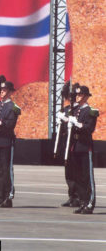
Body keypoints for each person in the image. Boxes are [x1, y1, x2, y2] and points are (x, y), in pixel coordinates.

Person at [0, 75, 21, 208]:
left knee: (7, 170)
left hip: (6, 141)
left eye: (3, 90)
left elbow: (10, 125)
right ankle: (0, 197)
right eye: (0, 90)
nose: (1, 92)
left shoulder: (13, 107)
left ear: (9, 91)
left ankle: (8, 197)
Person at [68, 85, 99, 214]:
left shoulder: (90, 111)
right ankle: (82, 202)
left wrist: (77, 124)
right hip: (75, 146)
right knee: (78, 177)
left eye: (80, 95)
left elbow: (89, 128)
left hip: (85, 147)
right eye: (77, 95)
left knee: (87, 177)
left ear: (86, 96)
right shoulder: (75, 110)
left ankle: (90, 203)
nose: (77, 97)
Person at [56, 81, 80, 207]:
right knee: (68, 172)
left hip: (75, 143)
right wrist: (60, 120)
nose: (70, 98)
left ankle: (78, 197)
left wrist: (66, 119)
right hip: (66, 143)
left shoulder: (79, 109)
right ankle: (71, 196)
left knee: (76, 171)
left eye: (72, 95)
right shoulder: (66, 109)